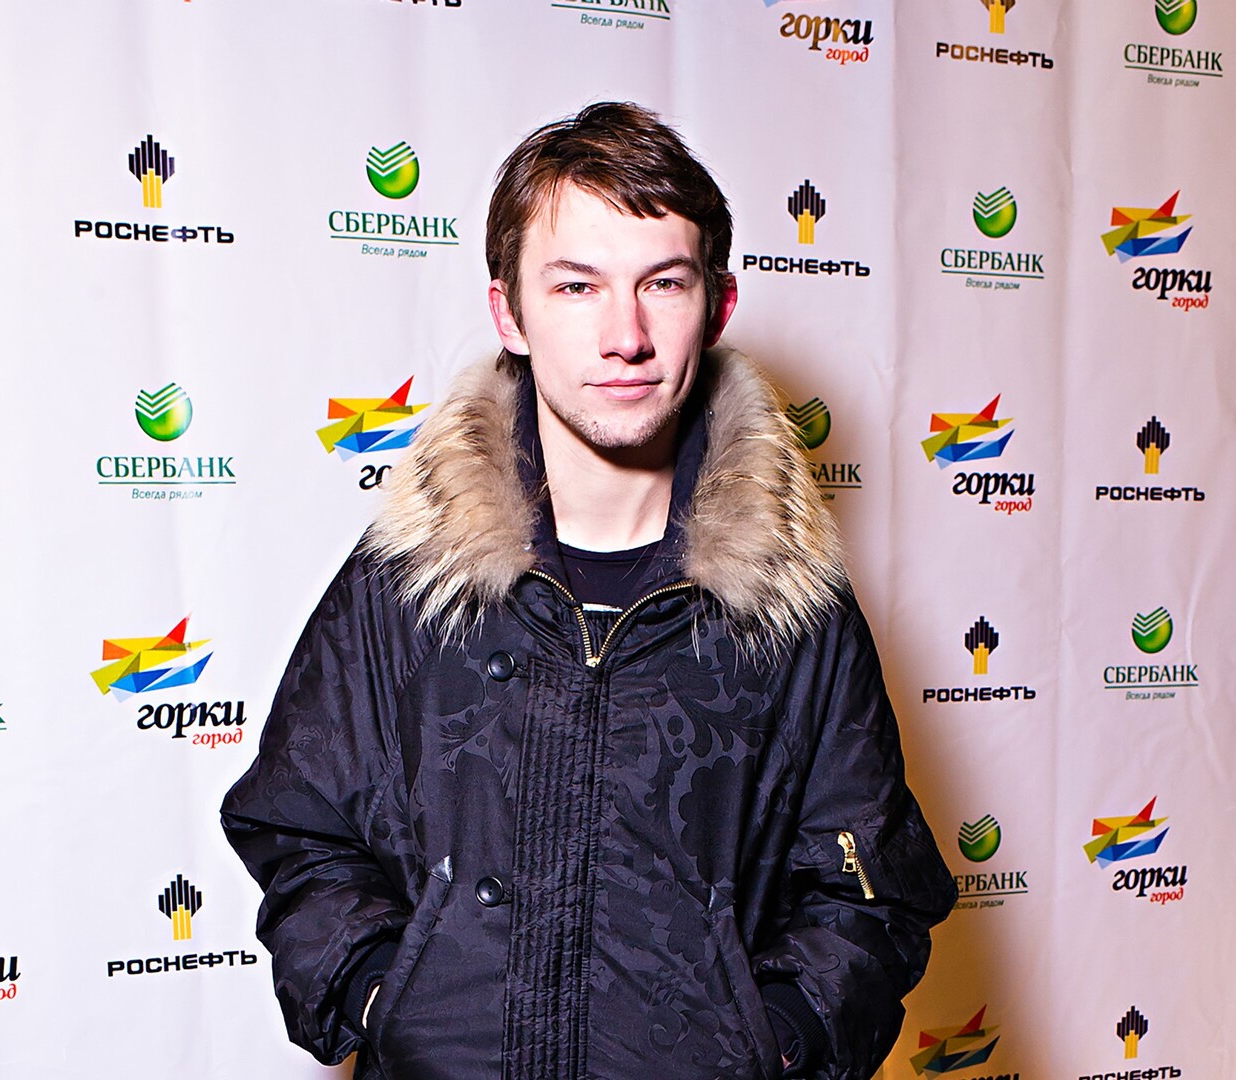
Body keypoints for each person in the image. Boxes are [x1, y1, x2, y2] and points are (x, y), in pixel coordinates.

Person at [221, 102, 956, 1080]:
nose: (625, 335)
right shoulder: (410, 580)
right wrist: (382, 999)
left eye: (664, 284)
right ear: (510, 315)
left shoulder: (791, 607)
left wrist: (771, 1042)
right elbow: (299, 826)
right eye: (577, 285)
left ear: (718, 306)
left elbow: (871, 895)